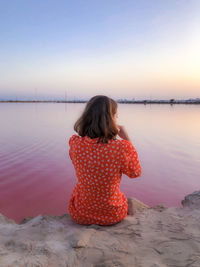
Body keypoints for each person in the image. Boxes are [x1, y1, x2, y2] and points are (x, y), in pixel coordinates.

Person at [68, 95, 142, 226]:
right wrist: (127, 140)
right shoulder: (121, 147)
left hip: (80, 214)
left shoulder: (75, 143)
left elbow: (77, 162)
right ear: (110, 119)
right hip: (113, 215)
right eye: (116, 116)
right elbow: (135, 173)